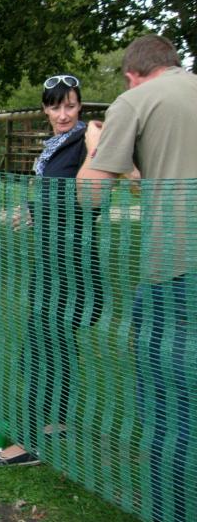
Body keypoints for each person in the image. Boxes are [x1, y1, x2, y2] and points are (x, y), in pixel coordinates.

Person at [77, 35, 197, 522]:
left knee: (171, 406)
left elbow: (90, 196)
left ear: (132, 74)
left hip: (177, 271)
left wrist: (95, 149)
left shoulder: (135, 101)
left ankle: (172, 510)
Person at [0, 74, 103, 466]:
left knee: (39, 351)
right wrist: (32, 210)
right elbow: (57, 195)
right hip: (49, 262)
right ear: (45, 109)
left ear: (80, 106)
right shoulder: (55, 148)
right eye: (55, 106)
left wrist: (96, 147)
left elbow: (89, 199)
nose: (63, 114)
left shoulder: (87, 142)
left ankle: (28, 443)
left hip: (72, 266)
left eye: (70, 105)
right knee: (55, 346)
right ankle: (57, 421)